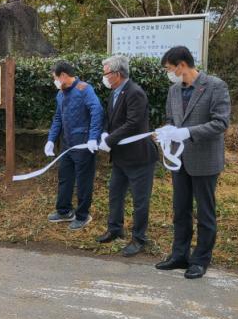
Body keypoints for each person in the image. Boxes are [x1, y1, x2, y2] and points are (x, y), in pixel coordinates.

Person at [155, 46, 230, 279]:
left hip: (205, 160)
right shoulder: (174, 90)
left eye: (169, 68)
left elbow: (220, 123)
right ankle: (179, 255)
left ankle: (200, 260)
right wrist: (166, 131)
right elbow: (171, 119)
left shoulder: (215, 86)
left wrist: (188, 132)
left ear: (182, 65)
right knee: (180, 209)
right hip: (180, 160)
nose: (169, 73)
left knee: (205, 213)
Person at [96, 55, 158, 256]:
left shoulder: (135, 92)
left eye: (106, 73)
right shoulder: (114, 92)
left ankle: (139, 239)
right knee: (115, 193)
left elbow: (133, 123)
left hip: (139, 157)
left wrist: (109, 140)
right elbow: (109, 119)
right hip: (120, 157)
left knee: (140, 200)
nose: (104, 77)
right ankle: (115, 229)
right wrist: (105, 133)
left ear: (117, 74)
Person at [45, 61, 103, 230]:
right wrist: (51, 139)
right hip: (67, 144)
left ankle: (83, 215)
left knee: (84, 181)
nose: (54, 81)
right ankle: (64, 211)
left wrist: (93, 137)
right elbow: (58, 118)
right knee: (65, 177)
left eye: (55, 78)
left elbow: (97, 111)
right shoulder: (61, 94)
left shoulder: (84, 89)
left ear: (63, 76)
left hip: (84, 144)